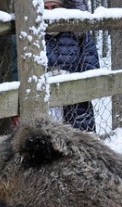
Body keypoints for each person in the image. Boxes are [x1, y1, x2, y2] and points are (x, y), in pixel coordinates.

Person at [43, 0, 100, 132]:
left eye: (54, 7)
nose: (50, 12)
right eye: (46, 8)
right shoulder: (34, 36)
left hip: (78, 110)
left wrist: (70, 81)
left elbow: (92, 70)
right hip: (44, 107)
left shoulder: (79, 33)